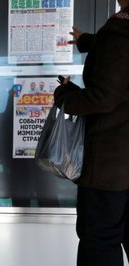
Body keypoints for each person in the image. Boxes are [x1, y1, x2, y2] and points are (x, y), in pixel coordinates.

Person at [53, 1, 129, 265]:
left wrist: (64, 96)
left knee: (99, 241)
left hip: (110, 168)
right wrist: (88, 41)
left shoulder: (121, 27)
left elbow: (104, 97)